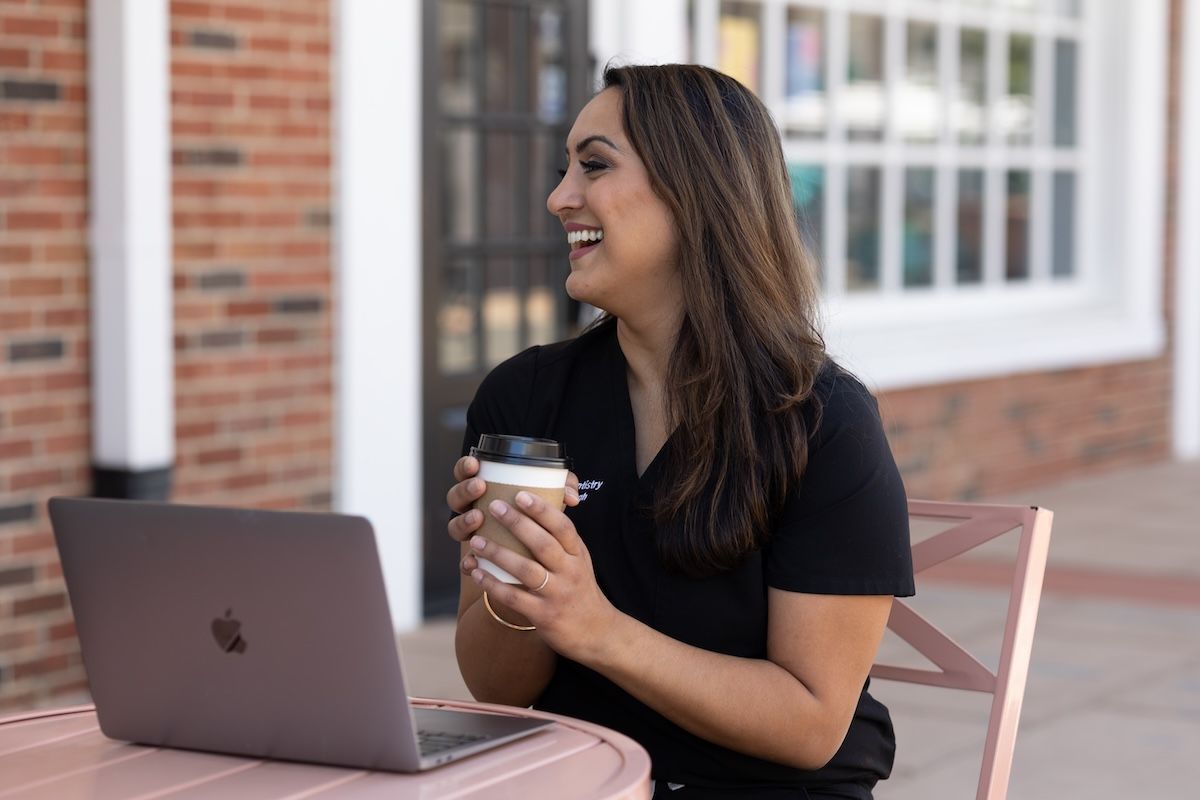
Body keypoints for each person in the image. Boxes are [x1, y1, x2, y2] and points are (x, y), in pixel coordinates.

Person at [445, 63, 914, 800]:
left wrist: (594, 626)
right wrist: (522, 577)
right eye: (564, 168)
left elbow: (811, 723)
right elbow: (499, 688)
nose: (558, 197)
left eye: (593, 165)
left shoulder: (823, 421)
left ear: (697, 190)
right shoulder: (525, 399)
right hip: (583, 783)